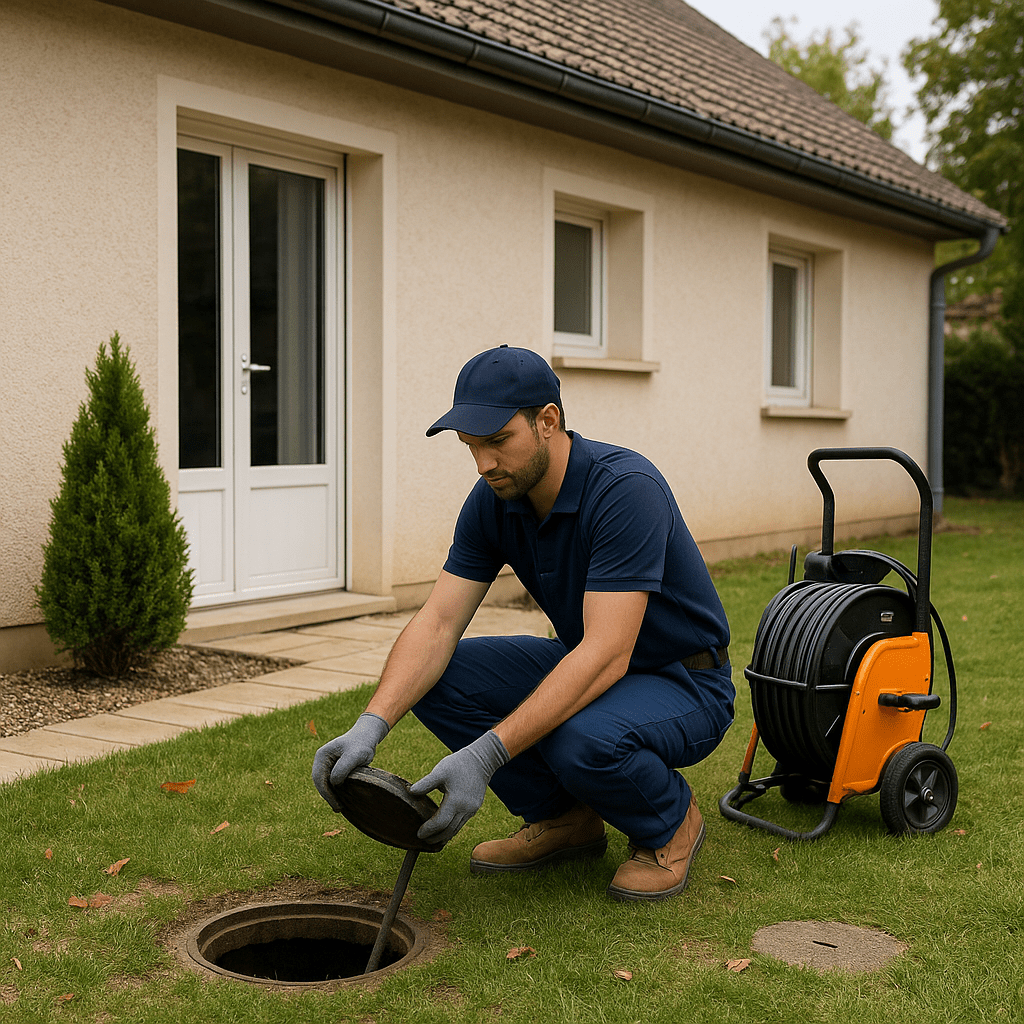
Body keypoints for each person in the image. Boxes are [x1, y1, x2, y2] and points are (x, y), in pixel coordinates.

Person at [312, 345, 734, 901]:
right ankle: (564, 818)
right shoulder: (495, 499)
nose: (484, 464)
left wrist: (487, 754)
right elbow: (438, 622)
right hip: (589, 661)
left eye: (497, 441)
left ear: (548, 421)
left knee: (583, 740)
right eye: (472, 447)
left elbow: (609, 651)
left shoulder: (625, 489)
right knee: (439, 677)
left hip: (683, 681)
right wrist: (371, 724)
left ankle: (670, 820)